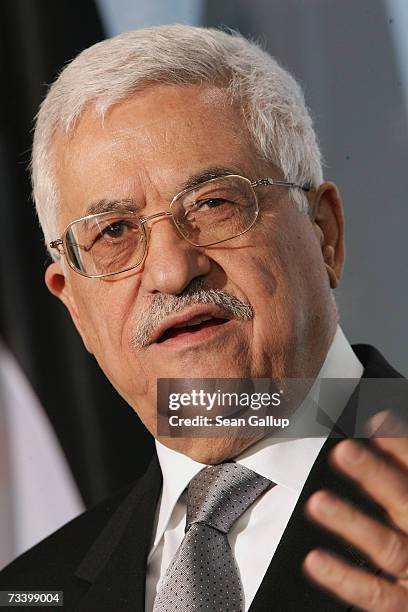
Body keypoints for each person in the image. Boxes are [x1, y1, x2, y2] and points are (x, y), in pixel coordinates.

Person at [1, 24, 407, 611]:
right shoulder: (37, 588)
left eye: (214, 203)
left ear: (325, 234)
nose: (171, 270)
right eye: (113, 233)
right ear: (74, 305)